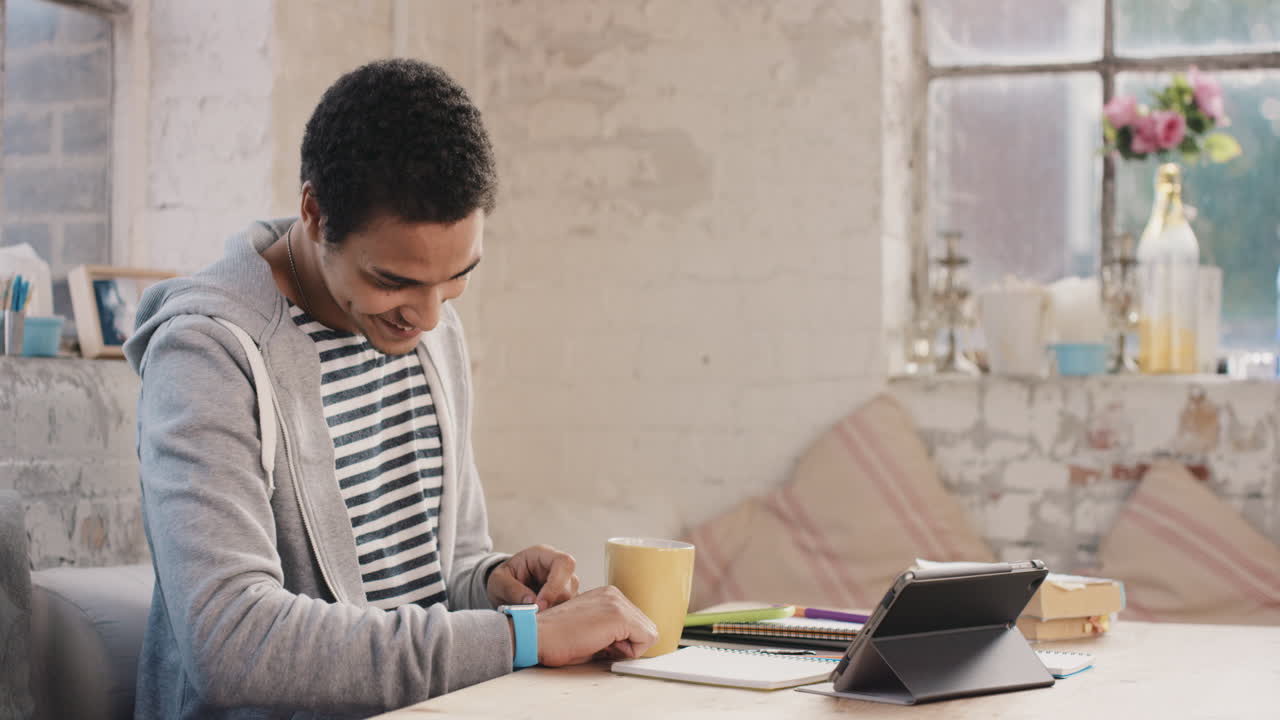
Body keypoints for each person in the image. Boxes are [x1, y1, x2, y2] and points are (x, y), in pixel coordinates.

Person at [123, 58, 657, 719]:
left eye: (457, 276)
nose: (429, 317)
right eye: (394, 281)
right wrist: (520, 638)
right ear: (315, 214)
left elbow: (439, 575)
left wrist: (491, 583)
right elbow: (231, 644)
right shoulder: (206, 355)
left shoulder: (428, 329)